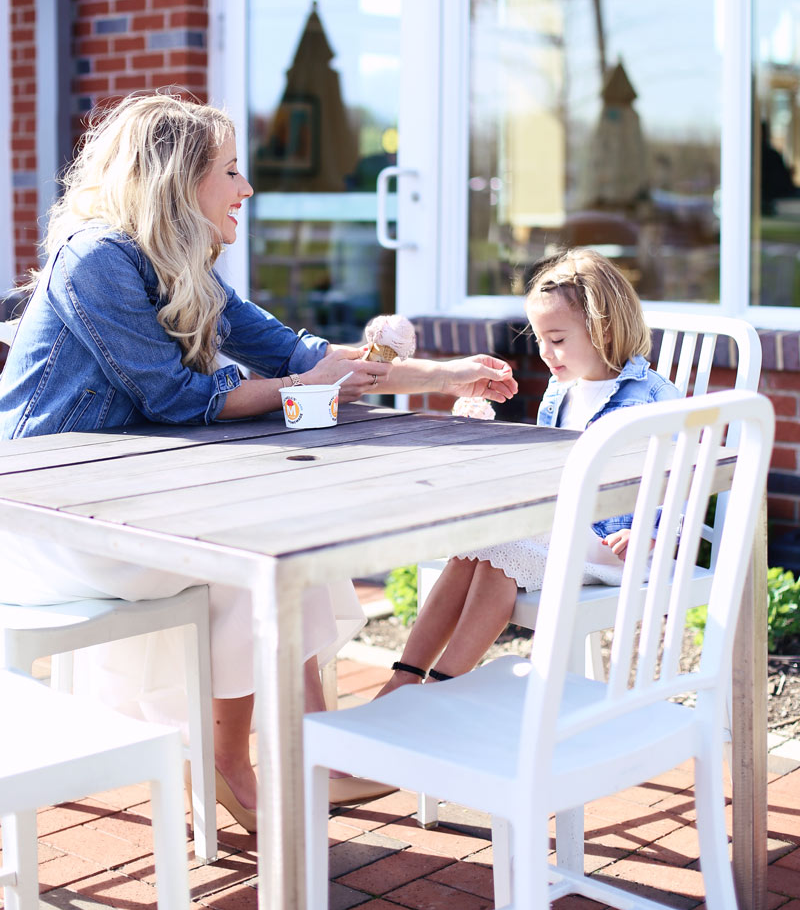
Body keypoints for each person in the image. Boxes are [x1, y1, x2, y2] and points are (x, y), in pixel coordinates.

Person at [0, 91, 517, 823]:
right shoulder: (97, 260)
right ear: (178, 180)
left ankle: (308, 751)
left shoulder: (185, 271)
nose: (247, 188)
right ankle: (233, 763)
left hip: (120, 505)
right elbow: (176, 395)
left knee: (281, 555)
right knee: (253, 561)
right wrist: (298, 389)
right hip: (45, 522)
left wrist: (445, 376)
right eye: (232, 171)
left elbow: (304, 356)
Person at [378, 247, 678, 696]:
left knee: (503, 554)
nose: (546, 353)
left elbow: (684, 478)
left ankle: (444, 686)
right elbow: (548, 471)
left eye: (557, 339)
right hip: (561, 533)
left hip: (622, 548)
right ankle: (406, 676)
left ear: (605, 328)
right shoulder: (560, 392)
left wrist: (651, 530)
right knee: (476, 545)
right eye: (539, 339)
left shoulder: (653, 397)